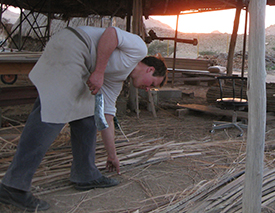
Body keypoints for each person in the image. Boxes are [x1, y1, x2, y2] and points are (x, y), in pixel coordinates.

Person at [0, 26, 168, 212]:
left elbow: (107, 117)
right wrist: (98, 72)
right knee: (52, 113)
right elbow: (111, 33)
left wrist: (112, 155)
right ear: (150, 69)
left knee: (88, 114)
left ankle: (85, 174)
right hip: (74, 46)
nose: (147, 89)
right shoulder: (139, 49)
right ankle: (14, 186)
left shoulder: (116, 80)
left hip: (80, 60)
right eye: (152, 84)